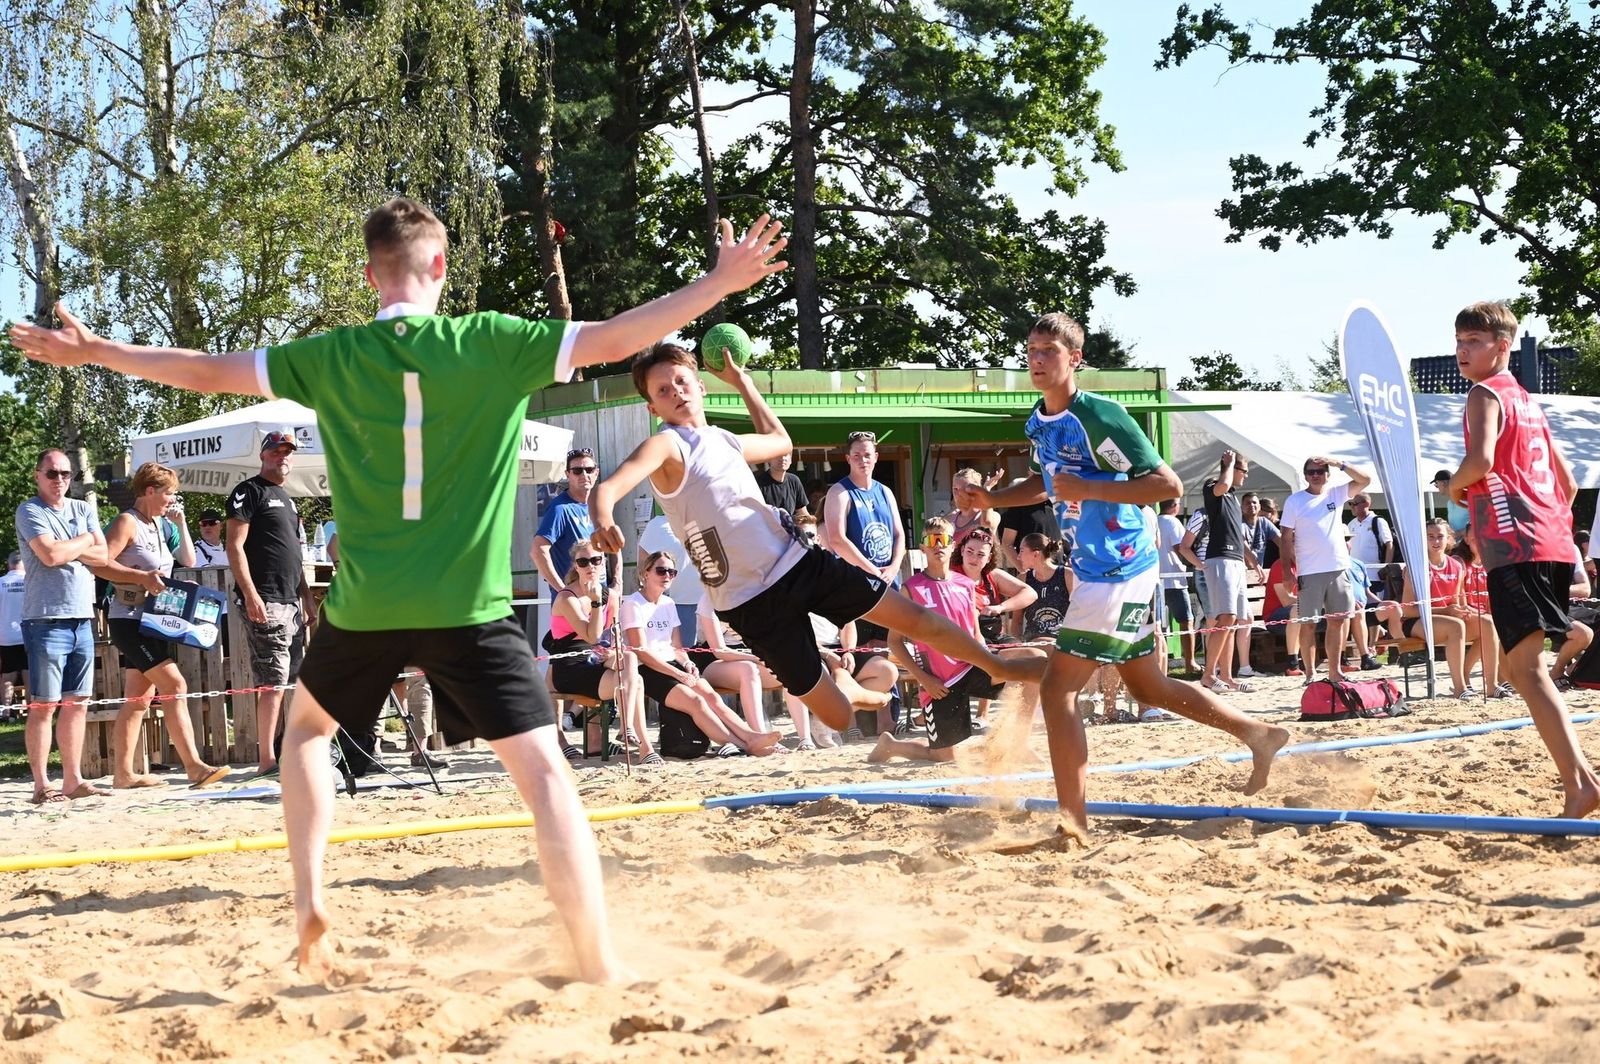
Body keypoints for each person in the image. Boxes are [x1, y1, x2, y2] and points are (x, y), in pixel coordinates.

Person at [9, 199, 791, 983]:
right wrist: (718, 283)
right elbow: (620, 336)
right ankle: (595, 954)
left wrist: (100, 351)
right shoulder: (493, 341)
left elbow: (202, 369)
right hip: (471, 608)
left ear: (368, 274)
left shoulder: (332, 355)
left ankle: (311, 899)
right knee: (547, 777)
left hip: (367, 605)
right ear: (441, 268)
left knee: (307, 735)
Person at [590, 343, 1041, 734]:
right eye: (663, 391)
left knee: (913, 618)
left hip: (798, 563)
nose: (677, 393)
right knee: (839, 717)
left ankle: (996, 665)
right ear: (653, 408)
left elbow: (778, 439)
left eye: (681, 381)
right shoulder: (668, 445)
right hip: (748, 601)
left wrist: (743, 381)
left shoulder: (724, 440)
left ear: (700, 385)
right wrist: (603, 518)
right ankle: (856, 692)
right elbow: (608, 487)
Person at [955, 313, 1287, 838]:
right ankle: (1258, 732)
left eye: (1049, 351)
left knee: (1058, 690)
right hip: (1096, 564)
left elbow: (1165, 484)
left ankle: (1073, 823)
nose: (1037, 360)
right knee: (1147, 685)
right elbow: (1050, 485)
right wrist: (993, 498)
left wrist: (1093, 491)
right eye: (1031, 350)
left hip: (1117, 560)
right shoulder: (1040, 420)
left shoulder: (1103, 415)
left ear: (1075, 359)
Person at [1446, 300, 1599, 817]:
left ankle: (1580, 785)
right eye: (1460, 341)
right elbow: (1570, 483)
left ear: (1503, 345)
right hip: (1553, 541)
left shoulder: (1484, 393)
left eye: (1474, 342)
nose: (1463, 351)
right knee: (1519, 666)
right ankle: (1580, 780)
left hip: (1517, 545)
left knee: (1525, 671)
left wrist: (1455, 489)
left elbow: (1481, 460)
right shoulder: (1529, 403)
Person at [92, 462, 229, 788]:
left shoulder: (158, 525)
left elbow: (186, 560)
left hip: (153, 621)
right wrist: (142, 578)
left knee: (138, 699)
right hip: (128, 621)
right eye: (169, 493)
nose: (173, 499)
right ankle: (194, 767)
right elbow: (99, 565)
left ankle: (123, 775)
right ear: (150, 491)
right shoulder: (128, 521)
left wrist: (178, 525)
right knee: (176, 685)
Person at [872, 517, 1025, 763]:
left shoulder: (965, 584)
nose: (937, 545)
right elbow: (895, 642)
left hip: (970, 667)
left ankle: (1015, 742)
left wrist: (992, 665)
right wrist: (924, 679)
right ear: (922, 547)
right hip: (940, 683)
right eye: (931, 540)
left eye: (942, 539)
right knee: (943, 757)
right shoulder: (911, 589)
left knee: (1027, 672)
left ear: (953, 545)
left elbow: (976, 635)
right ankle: (892, 745)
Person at [14, 449, 109, 804]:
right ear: (37, 475)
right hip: (44, 618)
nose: (60, 480)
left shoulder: (83, 508)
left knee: (77, 703)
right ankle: (41, 785)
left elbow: (104, 558)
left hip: (82, 616)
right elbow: (49, 556)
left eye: (66, 474)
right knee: (44, 705)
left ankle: (73, 780)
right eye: (52, 473)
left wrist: (73, 547)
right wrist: (85, 540)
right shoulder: (29, 510)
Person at [621, 551, 782, 757]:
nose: (667, 576)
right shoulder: (634, 604)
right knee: (695, 701)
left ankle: (751, 736)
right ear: (645, 573)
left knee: (711, 696)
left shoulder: (668, 604)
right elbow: (641, 652)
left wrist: (687, 663)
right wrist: (678, 674)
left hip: (671, 664)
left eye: (672, 572)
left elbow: (677, 647)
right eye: (661, 571)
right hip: (649, 670)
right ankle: (741, 743)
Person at [227, 430, 317, 776]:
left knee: (293, 679)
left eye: (288, 452)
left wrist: (306, 596)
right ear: (263, 456)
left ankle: (289, 750)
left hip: (291, 600)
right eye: (276, 452)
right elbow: (234, 546)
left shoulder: (289, 500)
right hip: (265, 598)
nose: (283, 457)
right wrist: (250, 594)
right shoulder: (248, 491)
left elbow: (294, 553)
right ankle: (266, 760)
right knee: (273, 680)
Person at [545, 539, 656, 766]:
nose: (590, 566)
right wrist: (596, 603)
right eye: (583, 562)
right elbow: (591, 635)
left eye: (595, 560)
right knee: (638, 680)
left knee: (631, 662)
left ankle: (634, 737)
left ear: (602, 562)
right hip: (570, 666)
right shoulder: (567, 598)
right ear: (575, 566)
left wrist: (612, 652)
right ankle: (636, 738)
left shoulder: (610, 596)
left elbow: (610, 636)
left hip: (595, 660)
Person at [1279, 454, 1372, 685]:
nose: (1315, 475)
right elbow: (1285, 537)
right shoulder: (1295, 501)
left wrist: (1338, 463)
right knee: (1308, 623)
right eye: (1311, 472)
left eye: (1320, 471)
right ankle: (1310, 673)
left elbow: (1365, 479)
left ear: (1327, 474)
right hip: (1309, 571)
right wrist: (1287, 572)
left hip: (1338, 567)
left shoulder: (1336, 493)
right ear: (1305, 476)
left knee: (1337, 621)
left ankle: (1334, 670)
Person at [823, 430, 905, 643]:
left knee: (886, 647)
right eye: (857, 456)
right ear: (848, 459)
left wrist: (894, 566)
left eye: (867, 455)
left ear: (876, 457)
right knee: (857, 652)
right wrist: (873, 571)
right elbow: (837, 540)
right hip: (856, 585)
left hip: (888, 583)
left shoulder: (885, 492)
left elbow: (899, 534)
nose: (863, 460)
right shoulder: (839, 492)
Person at [953, 526, 1039, 726]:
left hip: (995, 639)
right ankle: (984, 715)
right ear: (961, 550)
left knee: (1038, 658)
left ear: (989, 556)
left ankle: (1019, 728)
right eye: (970, 552)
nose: (974, 558)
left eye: (981, 554)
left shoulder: (992, 576)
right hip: (965, 644)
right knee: (1000, 664)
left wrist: (1000, 607)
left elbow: (1030, 593)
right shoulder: (951, 577)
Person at [1198, 450, 1265, 693]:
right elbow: (1223, 483)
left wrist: (1253, 561)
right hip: (1220, 559)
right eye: (1243, 470)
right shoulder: (1212, 486)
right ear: (1231, 467)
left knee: (1234, 619)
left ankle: (1226, 677)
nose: (1245, 476)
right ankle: (1208, 674)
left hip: (1235, 560)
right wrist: (1227, 464)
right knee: (1225, 617)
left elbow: (1236, 534)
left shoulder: (1233, 498)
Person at [531, 448, 600, 592]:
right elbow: (537, 550)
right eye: (577, 471)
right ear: (568, 474)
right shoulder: (560, 508)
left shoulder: (598, 505)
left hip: (598, 596)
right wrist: (563, 591)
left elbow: (612, 547)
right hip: (573, 604)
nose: (584, 475)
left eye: (589, 469)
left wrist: (618, 582)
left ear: (596, 473)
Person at [638, 513, 702, 644]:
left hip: (712, 602)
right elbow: (643, 567)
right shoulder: (658, 525)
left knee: (713, 655)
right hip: (677, 605)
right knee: (681, 656)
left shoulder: (708, 518)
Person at [1155, 499, 1198, 675]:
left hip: (1155, 579)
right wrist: (1194, 564)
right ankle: (1190, 663)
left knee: (1158, 626)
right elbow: (1181, 548)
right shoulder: (1172, 522)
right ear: (1174, 506)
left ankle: (1160, 666)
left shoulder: (1152, 519)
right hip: (1173, 579)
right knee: (1186, 621)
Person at [190, 508, 232, 657]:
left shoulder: (231, 547)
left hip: (231, 610)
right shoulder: (196, 549)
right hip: (207, 611)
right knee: (211, 657)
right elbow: (208, 577)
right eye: (203, 523)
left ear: (221, 525)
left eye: (212, 523)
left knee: (230, 652)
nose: (207, 527)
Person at [996, 494, 1057, 572]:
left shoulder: (1057, 506)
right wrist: (1023, 570)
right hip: (1034, 573)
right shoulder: (1018, 507)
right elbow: (1007, 543)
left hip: (1059, 569)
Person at [1, 552, 26, 721]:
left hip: (5, 635)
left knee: (7, 674)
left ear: (9, 564)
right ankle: (32, 710)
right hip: (28, 634)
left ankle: (5, 712)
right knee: (29, 672)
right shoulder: (31, 581)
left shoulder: (1, 583)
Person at [946, 468, 1001, 544]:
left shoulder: (992, 515)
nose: (958, 493)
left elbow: (987, 524)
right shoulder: (950, 518)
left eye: (965, 488)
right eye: (955, 488)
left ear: (976, 490)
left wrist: (986, 490)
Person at [753, 451, 807, 515]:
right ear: (768, 460)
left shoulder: (794, 480)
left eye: (786, 455)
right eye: (778, 455)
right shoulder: (757, 482)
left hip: (789, 524)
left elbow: (803, 513)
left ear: (790, 460)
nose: (783, 458)